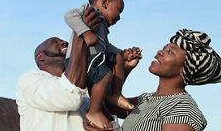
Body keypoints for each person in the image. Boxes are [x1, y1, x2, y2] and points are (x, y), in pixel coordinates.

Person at [85, 29, 221, 131]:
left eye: (170, 52)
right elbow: (108, 104)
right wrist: (125, 69)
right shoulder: (147, 99)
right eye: (164, 48)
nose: (160, 52)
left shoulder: (183, 109)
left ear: (184, 70)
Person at [64, 0, 135, 129]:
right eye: (119, 10)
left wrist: (122, 53)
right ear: (105, 3)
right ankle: (94, 111)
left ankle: (115, 94)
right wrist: (86, 32)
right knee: (105, 75)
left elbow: (105, 46)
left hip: (96, 59)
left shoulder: (102, 26)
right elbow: (69, 15)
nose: (119, 17)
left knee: (118, 59)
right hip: (82, 60)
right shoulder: (89, 10)